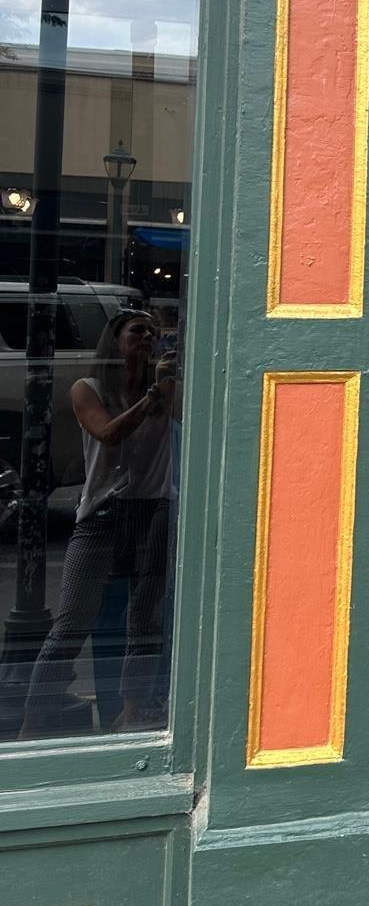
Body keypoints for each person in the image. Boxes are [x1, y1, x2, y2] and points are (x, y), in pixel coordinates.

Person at [21, 308, 177, 736]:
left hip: (152, 509)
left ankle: (131, 710)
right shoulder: (88, 388)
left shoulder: (163, 389)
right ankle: (32, 720)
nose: (147, 338)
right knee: (72, 622)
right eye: (137, 331)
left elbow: (191, 419)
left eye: (152, 333)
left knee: (144, 623)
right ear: (115, 340)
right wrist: (152, 398)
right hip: (102, 514)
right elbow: (108, 433)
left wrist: (169, 385)